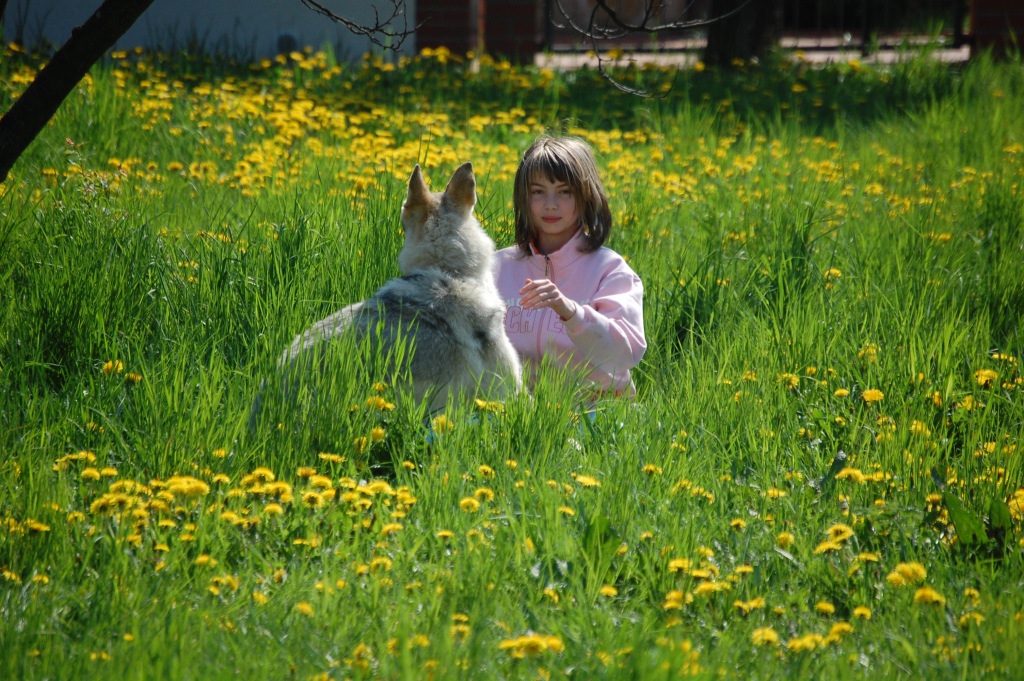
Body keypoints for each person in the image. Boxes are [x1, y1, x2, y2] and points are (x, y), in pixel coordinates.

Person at [494, 136, 646, 398]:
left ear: (586, 196)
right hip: (516, 409)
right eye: (538, 192)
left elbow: (623, 354)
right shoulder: (497, 268)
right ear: (523, 198)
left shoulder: (610, 271)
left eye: (565, 192)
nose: (550, 204)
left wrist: (572, 313)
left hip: (596, 410)